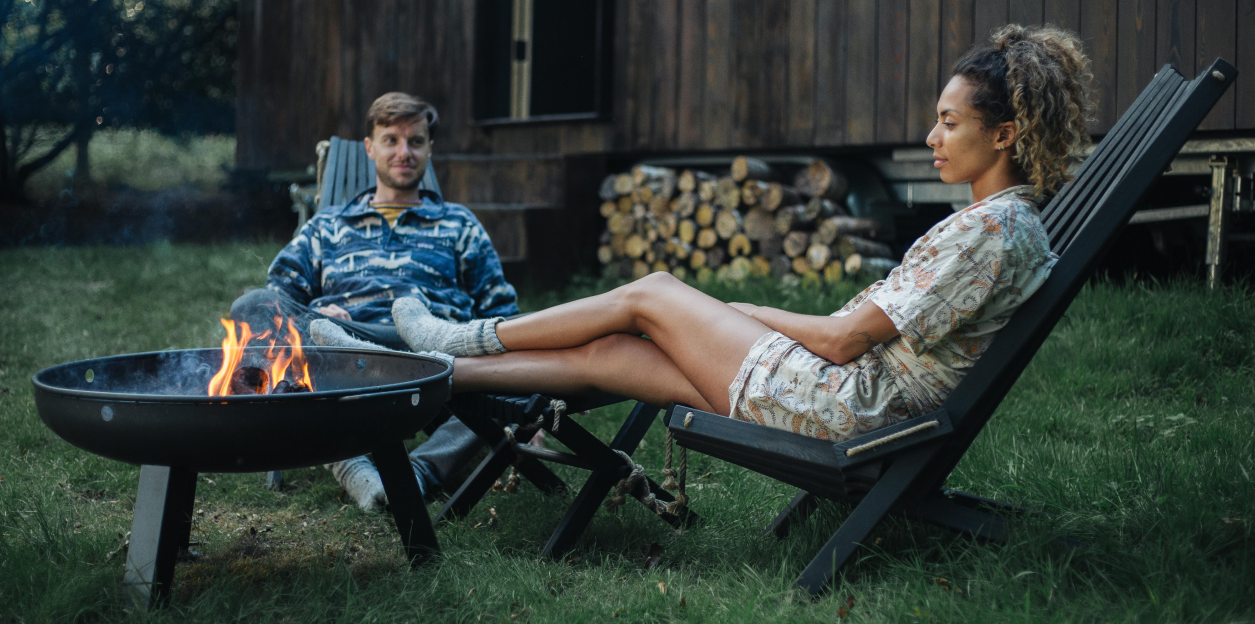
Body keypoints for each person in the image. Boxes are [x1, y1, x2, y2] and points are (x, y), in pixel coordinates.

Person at [345, 24, 1094, 444]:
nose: (932, 135)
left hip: (844, 405)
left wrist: (741, 314)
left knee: (654, 295)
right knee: (615, 355)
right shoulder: (999, 224)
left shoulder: (991, 232)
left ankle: (462, 340)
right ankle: (425, 373)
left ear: (1007, 133)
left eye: (950, 122)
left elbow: (840, 342)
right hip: (849, 394)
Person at [229, 92, 519, 510]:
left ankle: (416, 473)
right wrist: (317, 315)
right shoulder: (327, 226)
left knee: (503, 373)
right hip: (345, 346)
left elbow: (501, 310)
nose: (404, 152)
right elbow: (278, 295)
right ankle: (355, 468)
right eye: (391, 140)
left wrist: (526, 399)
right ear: (370, 147)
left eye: (415, 142)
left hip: (434, 352)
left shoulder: (459, 224)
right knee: (252, 306)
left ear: (429, 149)